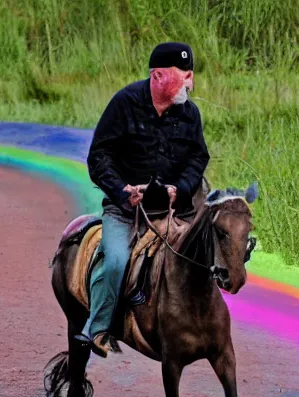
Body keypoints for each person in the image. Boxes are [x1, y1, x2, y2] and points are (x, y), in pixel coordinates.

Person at [74, 42, 210, 357]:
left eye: (191, 76)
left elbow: (198, 158)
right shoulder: (125, 103)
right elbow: (99, 157)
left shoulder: (189, 113)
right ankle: (98, 327)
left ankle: (203, 330)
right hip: (126, 212)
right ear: (158, 75)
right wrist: (122, 190)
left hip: (174, 212)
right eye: (185, 76)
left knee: (210, 252)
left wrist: (182, 188)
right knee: (117, 260)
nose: (191, 83)